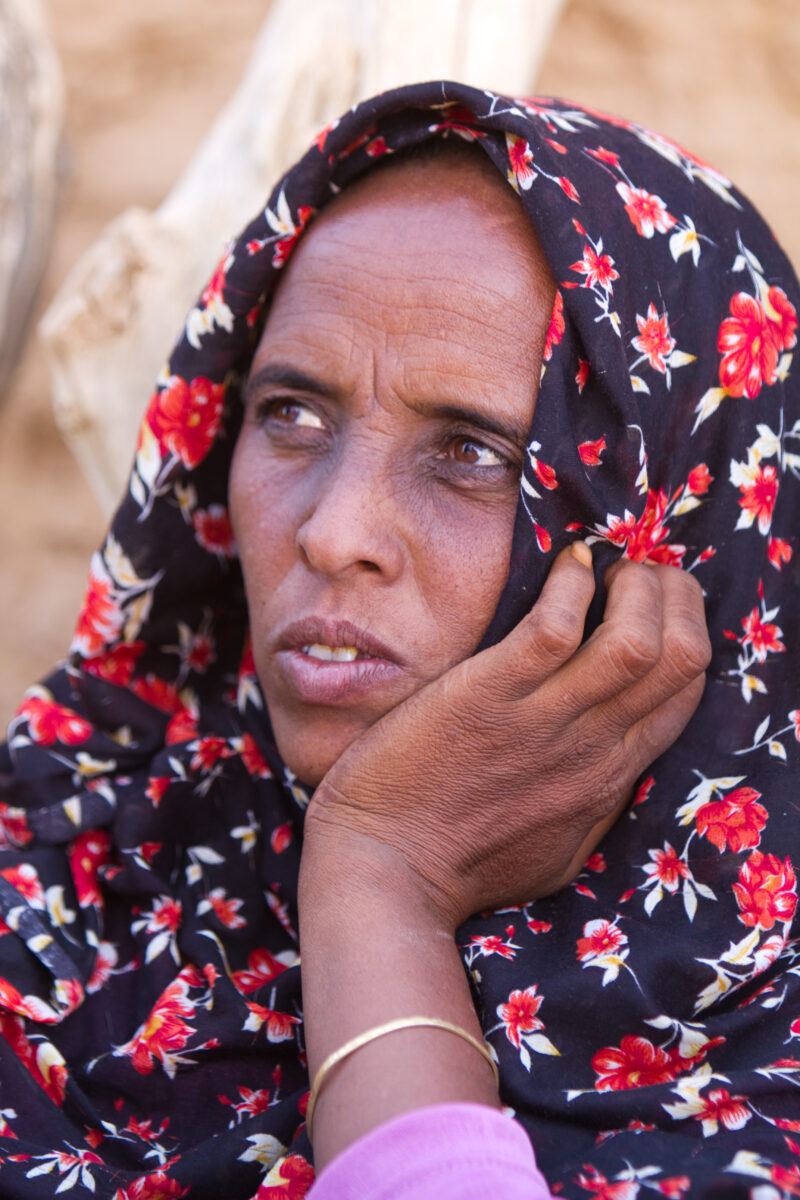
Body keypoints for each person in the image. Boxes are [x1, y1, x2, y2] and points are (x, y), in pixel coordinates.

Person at [0, 79, 797, 1199]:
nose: (332, 534)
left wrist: (378, 879)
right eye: (291, 414)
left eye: (472, 453)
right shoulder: (61, 899)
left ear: (680, 523)